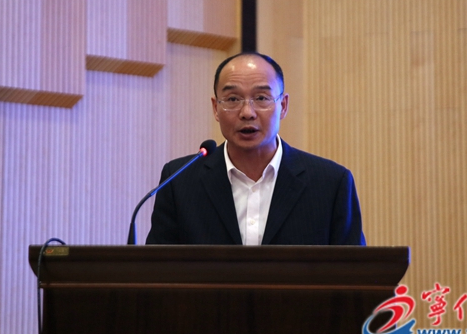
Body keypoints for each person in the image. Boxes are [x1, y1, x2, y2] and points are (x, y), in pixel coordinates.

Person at [146, 52, 365, 245]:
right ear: (215, 108)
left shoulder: (331, 183)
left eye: (261, 98)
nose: (247, 113)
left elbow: (352, 271)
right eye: (233, 99)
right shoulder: (178, 180)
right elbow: (159, 270)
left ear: (283, 106)